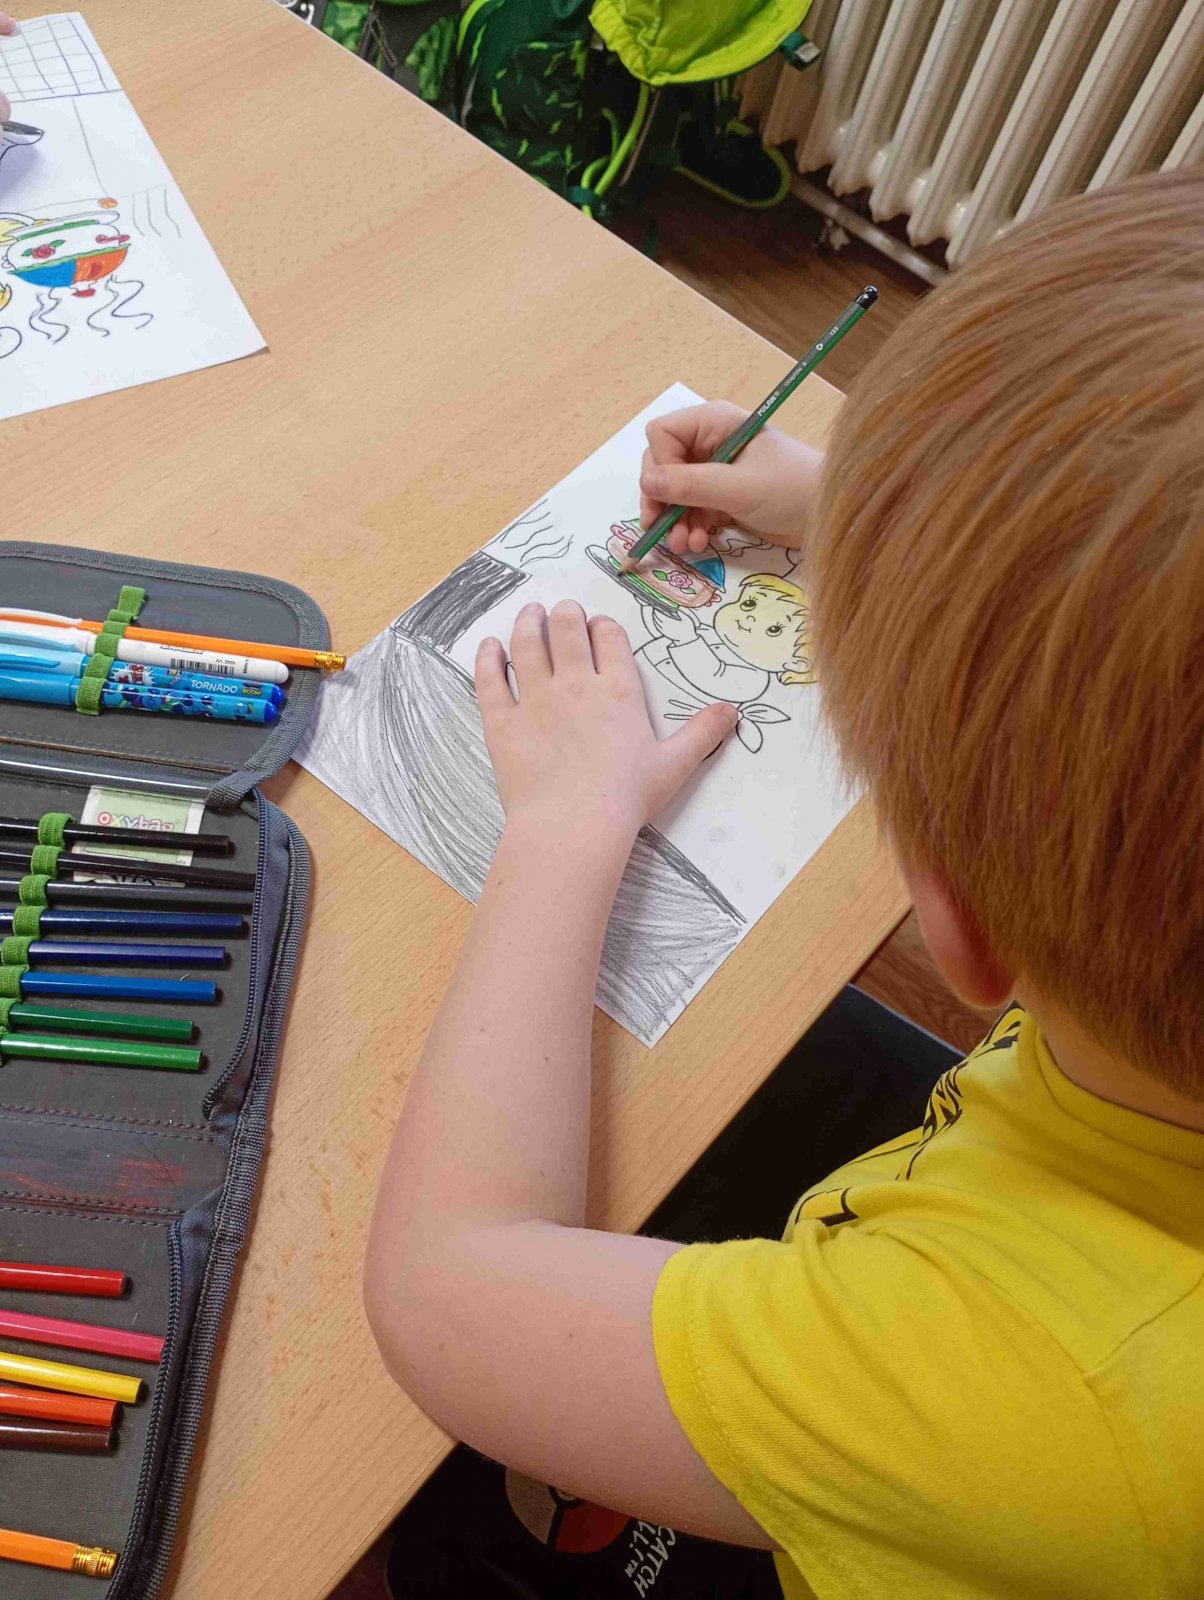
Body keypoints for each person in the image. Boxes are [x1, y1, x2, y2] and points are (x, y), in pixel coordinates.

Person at [364, 169, 1204, 1599]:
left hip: (942, 1400)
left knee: (441, 1539)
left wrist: (565, 825)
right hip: (1008, 1194)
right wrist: (894, 522)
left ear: (959, 925)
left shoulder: (1048, 1403)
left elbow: (444, 1291)